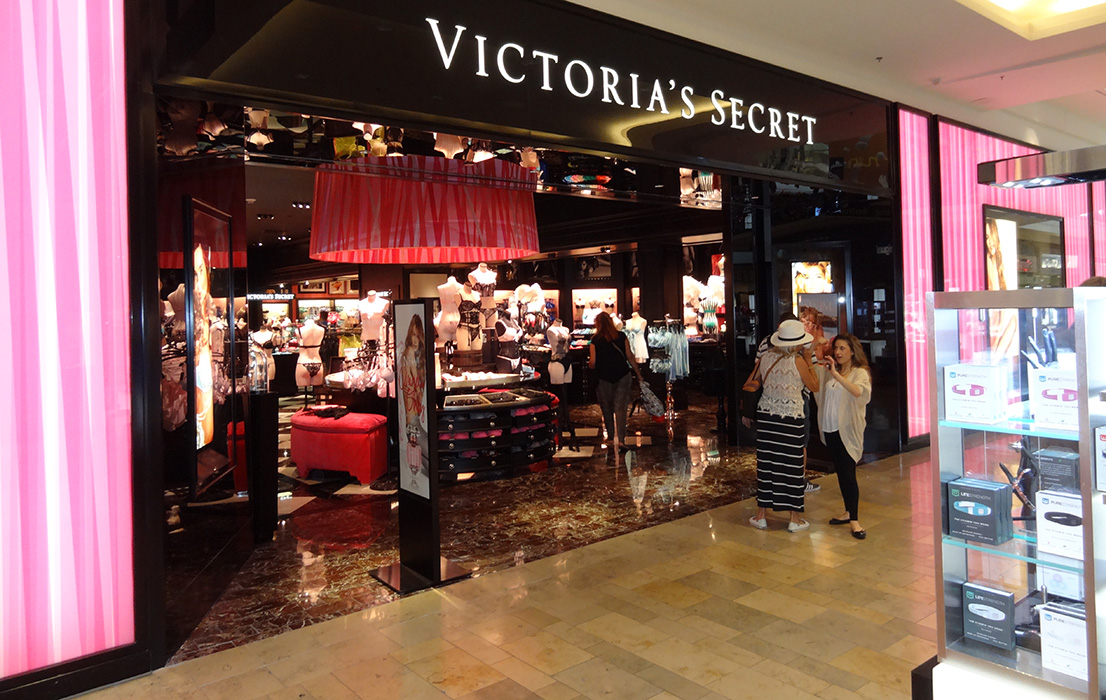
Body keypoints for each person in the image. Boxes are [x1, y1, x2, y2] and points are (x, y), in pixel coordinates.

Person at [748, 318, 819, 533]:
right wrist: (809, 360)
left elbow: (756, 380)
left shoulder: (766, 357)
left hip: (767, 417)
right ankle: (793, 518)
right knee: (791, 466)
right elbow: (814, 386)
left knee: (766, 463)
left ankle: (761, 515)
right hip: (790, 418)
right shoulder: (798, 361)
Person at [813, 333, 872, 540]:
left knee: (848, 473)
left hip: (847, 430)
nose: (838, 353)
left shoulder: (859, 373)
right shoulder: (831, 372)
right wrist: (817, 353)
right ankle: (848, 511)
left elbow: (859, 393)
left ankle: (855, 520)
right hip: (830, 429)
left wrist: (836, 375)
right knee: (841, 471)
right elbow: (815, 382)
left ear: (852, 351)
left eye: (842, 349)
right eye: (836, 348)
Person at [589, 311, 643, 452]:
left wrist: (591, 365)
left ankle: (612, 438)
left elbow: (593, 362)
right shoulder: (621, 336)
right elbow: (629, 356)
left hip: (603, 377)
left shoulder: (595, 340)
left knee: (606, 407)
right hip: (622, 375)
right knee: (621, 408)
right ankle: (622, 440)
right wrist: (638, 374)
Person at [399, 315, 429, 498]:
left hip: (414, 399)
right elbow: (412, 379)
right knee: (415, 432)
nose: (416, 340)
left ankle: (422, 470)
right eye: (414, 336)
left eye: (419, 336)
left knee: (416, 435)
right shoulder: (410, 352)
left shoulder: (416, 354)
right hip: (411, 399)